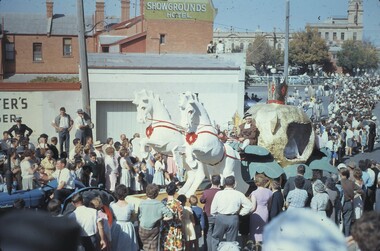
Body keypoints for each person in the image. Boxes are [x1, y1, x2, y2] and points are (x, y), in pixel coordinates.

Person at [210, 176, 254, 251]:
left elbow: (213, 210)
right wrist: (241, 213)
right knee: (231, 241)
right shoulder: (238, 194)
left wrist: (216, 215)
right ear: (234, 184)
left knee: (216, 238)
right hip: (233, 218)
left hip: (220, 217)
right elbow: (249, 205)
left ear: (224, 184)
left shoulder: (219, 193)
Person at [138, 184, 173, 251]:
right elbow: (170, 216)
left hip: (142, 229)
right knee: (153, 247)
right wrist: (161, 218)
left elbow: (139, 216)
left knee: (144, 246)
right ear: (157, 194)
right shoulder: (159, 204)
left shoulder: (142, 203)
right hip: (153, 229)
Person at [110, 184, 138, 251]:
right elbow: (134, 217)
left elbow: (111, 216)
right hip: (127, 226)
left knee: (116, 244)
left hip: (116, 225)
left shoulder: (112, 205)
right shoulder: (130, 205)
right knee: (127, 245)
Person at [339, 167, 364, 236]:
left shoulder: (339, 182)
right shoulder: (351, 183)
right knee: (347, 222)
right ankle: (346, 236)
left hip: (340, 204)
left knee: (340, 221)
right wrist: (354, 195)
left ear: (341, 174)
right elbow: (361, 191)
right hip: (349, 203)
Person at [249, 174, 272, 248]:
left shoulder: (254, 193)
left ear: (256, 183)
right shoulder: (269, 192)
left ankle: (256, 248)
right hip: (265, 212)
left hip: (256, 214)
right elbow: (270, 204)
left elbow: (253, 207)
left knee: (255, 232)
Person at [161, 182, 184, 250]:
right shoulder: (178, 203)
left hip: (165, 228)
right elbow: (180, 218)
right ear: (174, 191)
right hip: (175, 229)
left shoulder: (163, 202)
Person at [200, 174, 221, 250]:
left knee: (208, 234)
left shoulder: (206, 192)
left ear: (211, 181)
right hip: (219, 215)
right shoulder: (221, 192)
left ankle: (209, 249)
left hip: (208, 214)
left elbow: (202, 200)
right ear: (219, 181)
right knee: (217, 234)